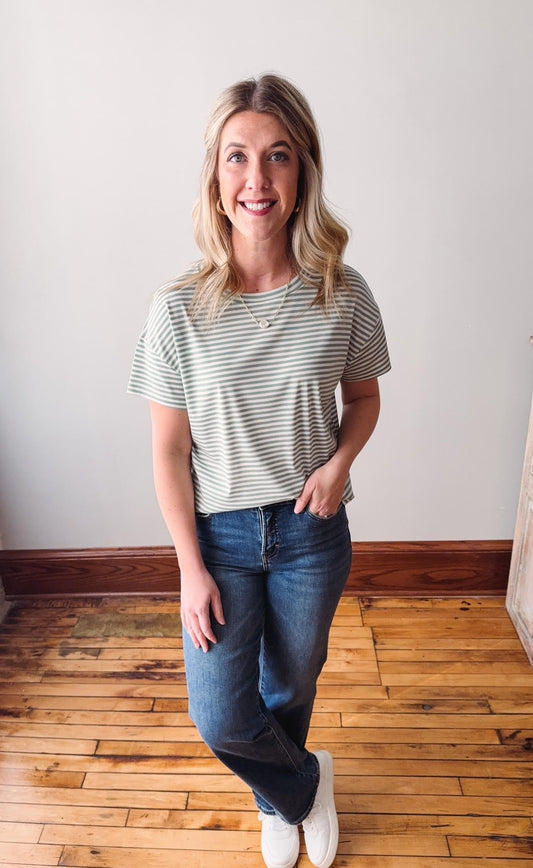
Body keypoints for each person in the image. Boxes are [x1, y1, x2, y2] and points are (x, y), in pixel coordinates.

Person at [128, 73, 390, 868]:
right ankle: (303, 786)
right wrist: (187, 567)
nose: (257, 179)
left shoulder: (342, 294)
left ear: (302, 169)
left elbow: (365, 400)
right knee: (220, 715)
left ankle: (278, 799)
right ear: (215, 173)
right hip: (220, 539)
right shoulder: (176, 308)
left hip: (313, 534)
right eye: (237, 156)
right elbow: (168, 452)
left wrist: (340, 462)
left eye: (277, 157)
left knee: (290, 683)